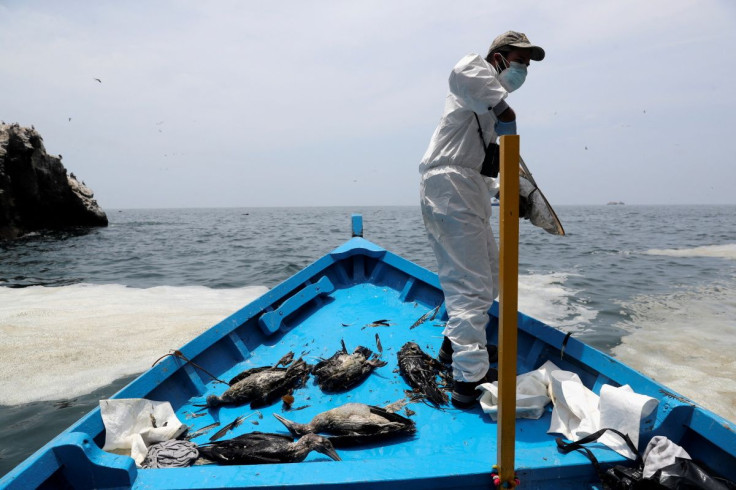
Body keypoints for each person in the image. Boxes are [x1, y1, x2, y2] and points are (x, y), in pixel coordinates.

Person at [419, 31, 545, 408]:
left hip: (467, 187)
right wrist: (506, 114)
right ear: (498, 57)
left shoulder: (485, 113)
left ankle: (450, 348)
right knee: (470, 288)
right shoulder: (476, 75)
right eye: (518, 59)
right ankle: (468, 381)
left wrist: (505, 191)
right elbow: (461, 69)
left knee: (488, 276)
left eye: (528, 62)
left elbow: (483, 168)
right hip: (450, 186)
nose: (522, 67)